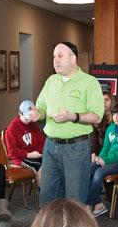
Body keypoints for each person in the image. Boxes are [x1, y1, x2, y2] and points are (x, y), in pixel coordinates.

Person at [31, 42, 104, 206]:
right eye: (54, 57)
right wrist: (38, 113)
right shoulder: (51, 81)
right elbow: (41, 106)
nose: (55, 60)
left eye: (60, 56)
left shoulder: (89, 82)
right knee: (47, 197)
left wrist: (73, 116)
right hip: (50, 146)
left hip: (76, 148)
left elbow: (97, 116)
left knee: (75, 200)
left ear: (73, 58)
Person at [88, 102, 118, 217]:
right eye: (114, 114)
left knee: (99, 173)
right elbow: (106, 147)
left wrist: (106, 160)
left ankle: (88, 204)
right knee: (90, 169)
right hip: (109, 160)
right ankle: (98, 204)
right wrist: (100, 157)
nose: (116, 117)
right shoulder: (111, 128)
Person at [5, 100, 45, 186]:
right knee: (40, 167)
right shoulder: (12, 128)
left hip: (34, 155)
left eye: (30, 117)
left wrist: (39, 152)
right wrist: (28, 155)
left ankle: (51, 192)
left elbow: (41, 143)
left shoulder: (32, 125)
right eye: (26, 117)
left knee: (50, 164)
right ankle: (43, 194)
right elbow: (12, 153)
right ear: (20, 113)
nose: (28, 120)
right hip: (20, 157)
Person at [91, 92, 115, 162]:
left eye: (106, 100)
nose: (103, 103)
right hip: (99, 152)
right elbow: (93, 139)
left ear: (112, 102)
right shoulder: (96, 118)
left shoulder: (117, 118)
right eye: (101, 100)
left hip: (113, 153)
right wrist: (93, 153)